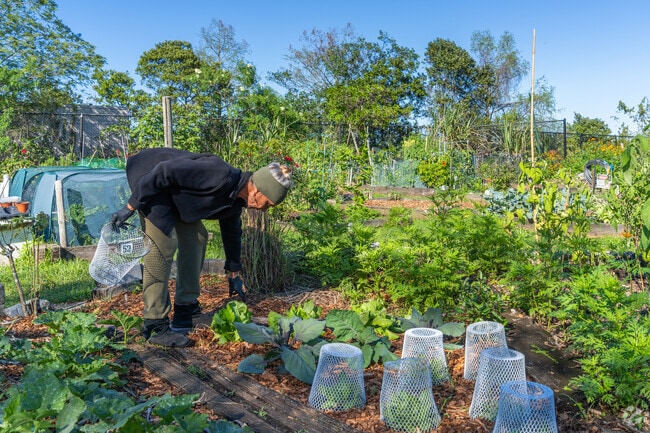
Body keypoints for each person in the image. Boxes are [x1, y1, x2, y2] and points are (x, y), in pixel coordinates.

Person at [110, 147, 293, 347]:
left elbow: (232, 232)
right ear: (257, 191)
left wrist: (234, 272)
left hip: (173, 191)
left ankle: (186, 311)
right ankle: (155, 325)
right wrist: (130, 207)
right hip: (148, 174)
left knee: (198, 236)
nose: (265, 210)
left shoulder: (235, 200)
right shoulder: (218, 173)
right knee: (162, 244)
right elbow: (164, 171)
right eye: (267, 204)